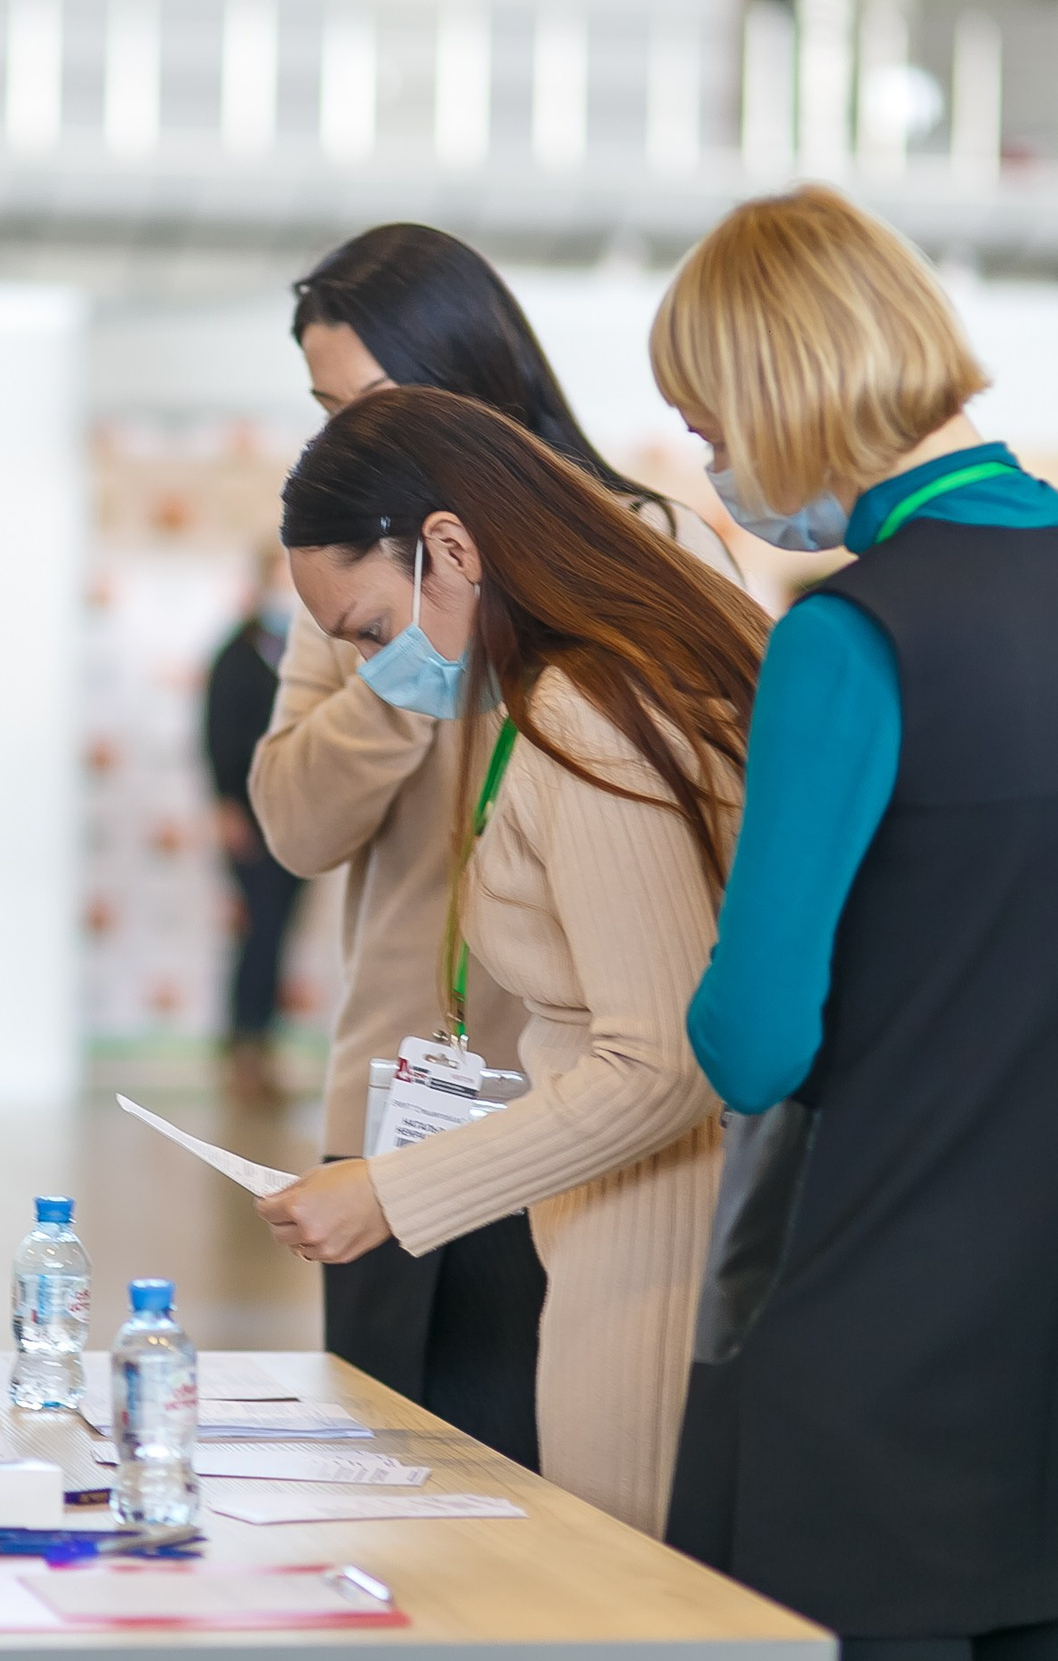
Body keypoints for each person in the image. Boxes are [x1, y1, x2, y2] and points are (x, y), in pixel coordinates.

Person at [652, 185, 1058, 1661]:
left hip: (873, 1339)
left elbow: (756, 1040)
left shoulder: (852, 635)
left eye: (707, 426)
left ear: (778, 393)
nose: (713, 467)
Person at [251, 224, 732, 1475]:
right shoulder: (357, 593)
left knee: (558, 1503)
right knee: (398, 1516)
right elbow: (294, 827)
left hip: (584, 1123)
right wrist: (399, 677)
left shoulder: (636, 565)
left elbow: (664, 1034)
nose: (342, 435)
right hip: (396, 1113)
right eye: (324, 408)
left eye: (368, 401)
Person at [203, 542, 307, 1107]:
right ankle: (243, 1053)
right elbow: (217, 735)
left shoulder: (305, 652)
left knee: (279, 937)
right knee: (259, 937)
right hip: (250, 821)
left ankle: (263, 1050)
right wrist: (226, 806)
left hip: (295, 820)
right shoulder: (237, 653)